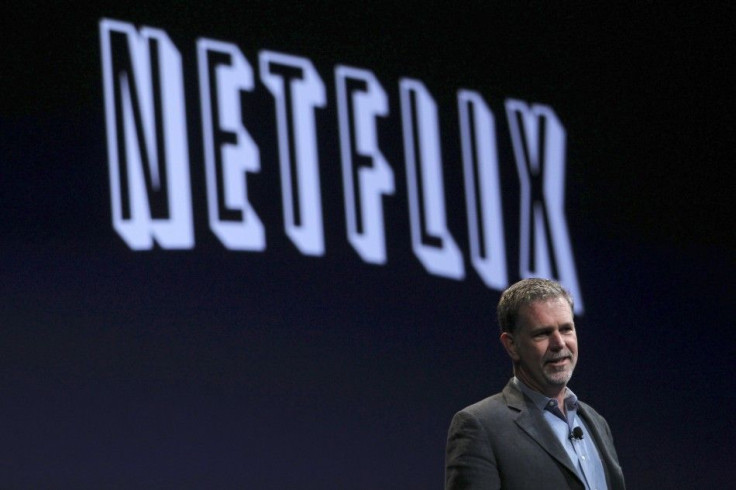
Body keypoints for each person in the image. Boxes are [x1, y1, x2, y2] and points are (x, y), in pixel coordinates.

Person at [445, 278, 625, 490]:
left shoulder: (595, 422)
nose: (559, 343)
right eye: (543, 333)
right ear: (511, 345)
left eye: (566, 329)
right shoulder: (480, 426)